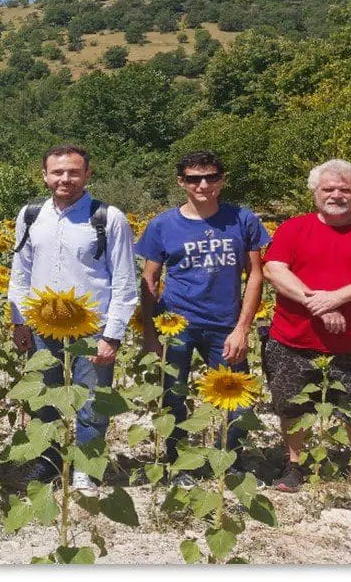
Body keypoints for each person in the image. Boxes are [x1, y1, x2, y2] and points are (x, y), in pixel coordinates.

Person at [261, 160, 351, 497]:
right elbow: (274, 269)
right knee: (291, 405)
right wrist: (318, 302)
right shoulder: (295, 228)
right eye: (328, 189)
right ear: (315, 192)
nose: (336, 195)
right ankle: (295, 464)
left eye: (345, 190)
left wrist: (336, 298)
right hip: (295, 339)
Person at [8, 145, 139, 490]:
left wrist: (112, 335)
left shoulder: (108, 217)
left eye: (73, 172)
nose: (65, 179)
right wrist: (18, 320)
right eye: (57, 172)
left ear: (87, 175)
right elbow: (20, 271)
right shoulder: (31, 214)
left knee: (92, 398)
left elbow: (125, 279)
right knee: (42, 395)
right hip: (41, 324)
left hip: (91, 326)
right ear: (45, 175)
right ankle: (48, 460)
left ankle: (87, 466)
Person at [135, 151, 270, 477]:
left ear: (222, 179)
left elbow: (255, 274)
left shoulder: (242, 219)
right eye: (194, 178)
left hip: (225, 323)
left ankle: (230, 461)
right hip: (175, 324)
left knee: (237, 396)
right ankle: (179, 464)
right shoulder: (163, 224)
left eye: (211, 177)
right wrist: (150, 334)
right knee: (173, 395)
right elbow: (149, 280)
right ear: (182, 182)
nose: (203, 184)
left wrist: (242, 328)